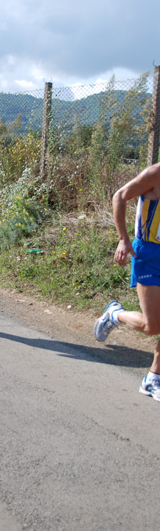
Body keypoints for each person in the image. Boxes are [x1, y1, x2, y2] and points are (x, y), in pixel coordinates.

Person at [94, 161, 160, 401]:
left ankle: (153, 379)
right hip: (150, 255)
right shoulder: (156, 173)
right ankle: (115, 314)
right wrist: (123, 239)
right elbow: (120, 196)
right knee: (153, 327)